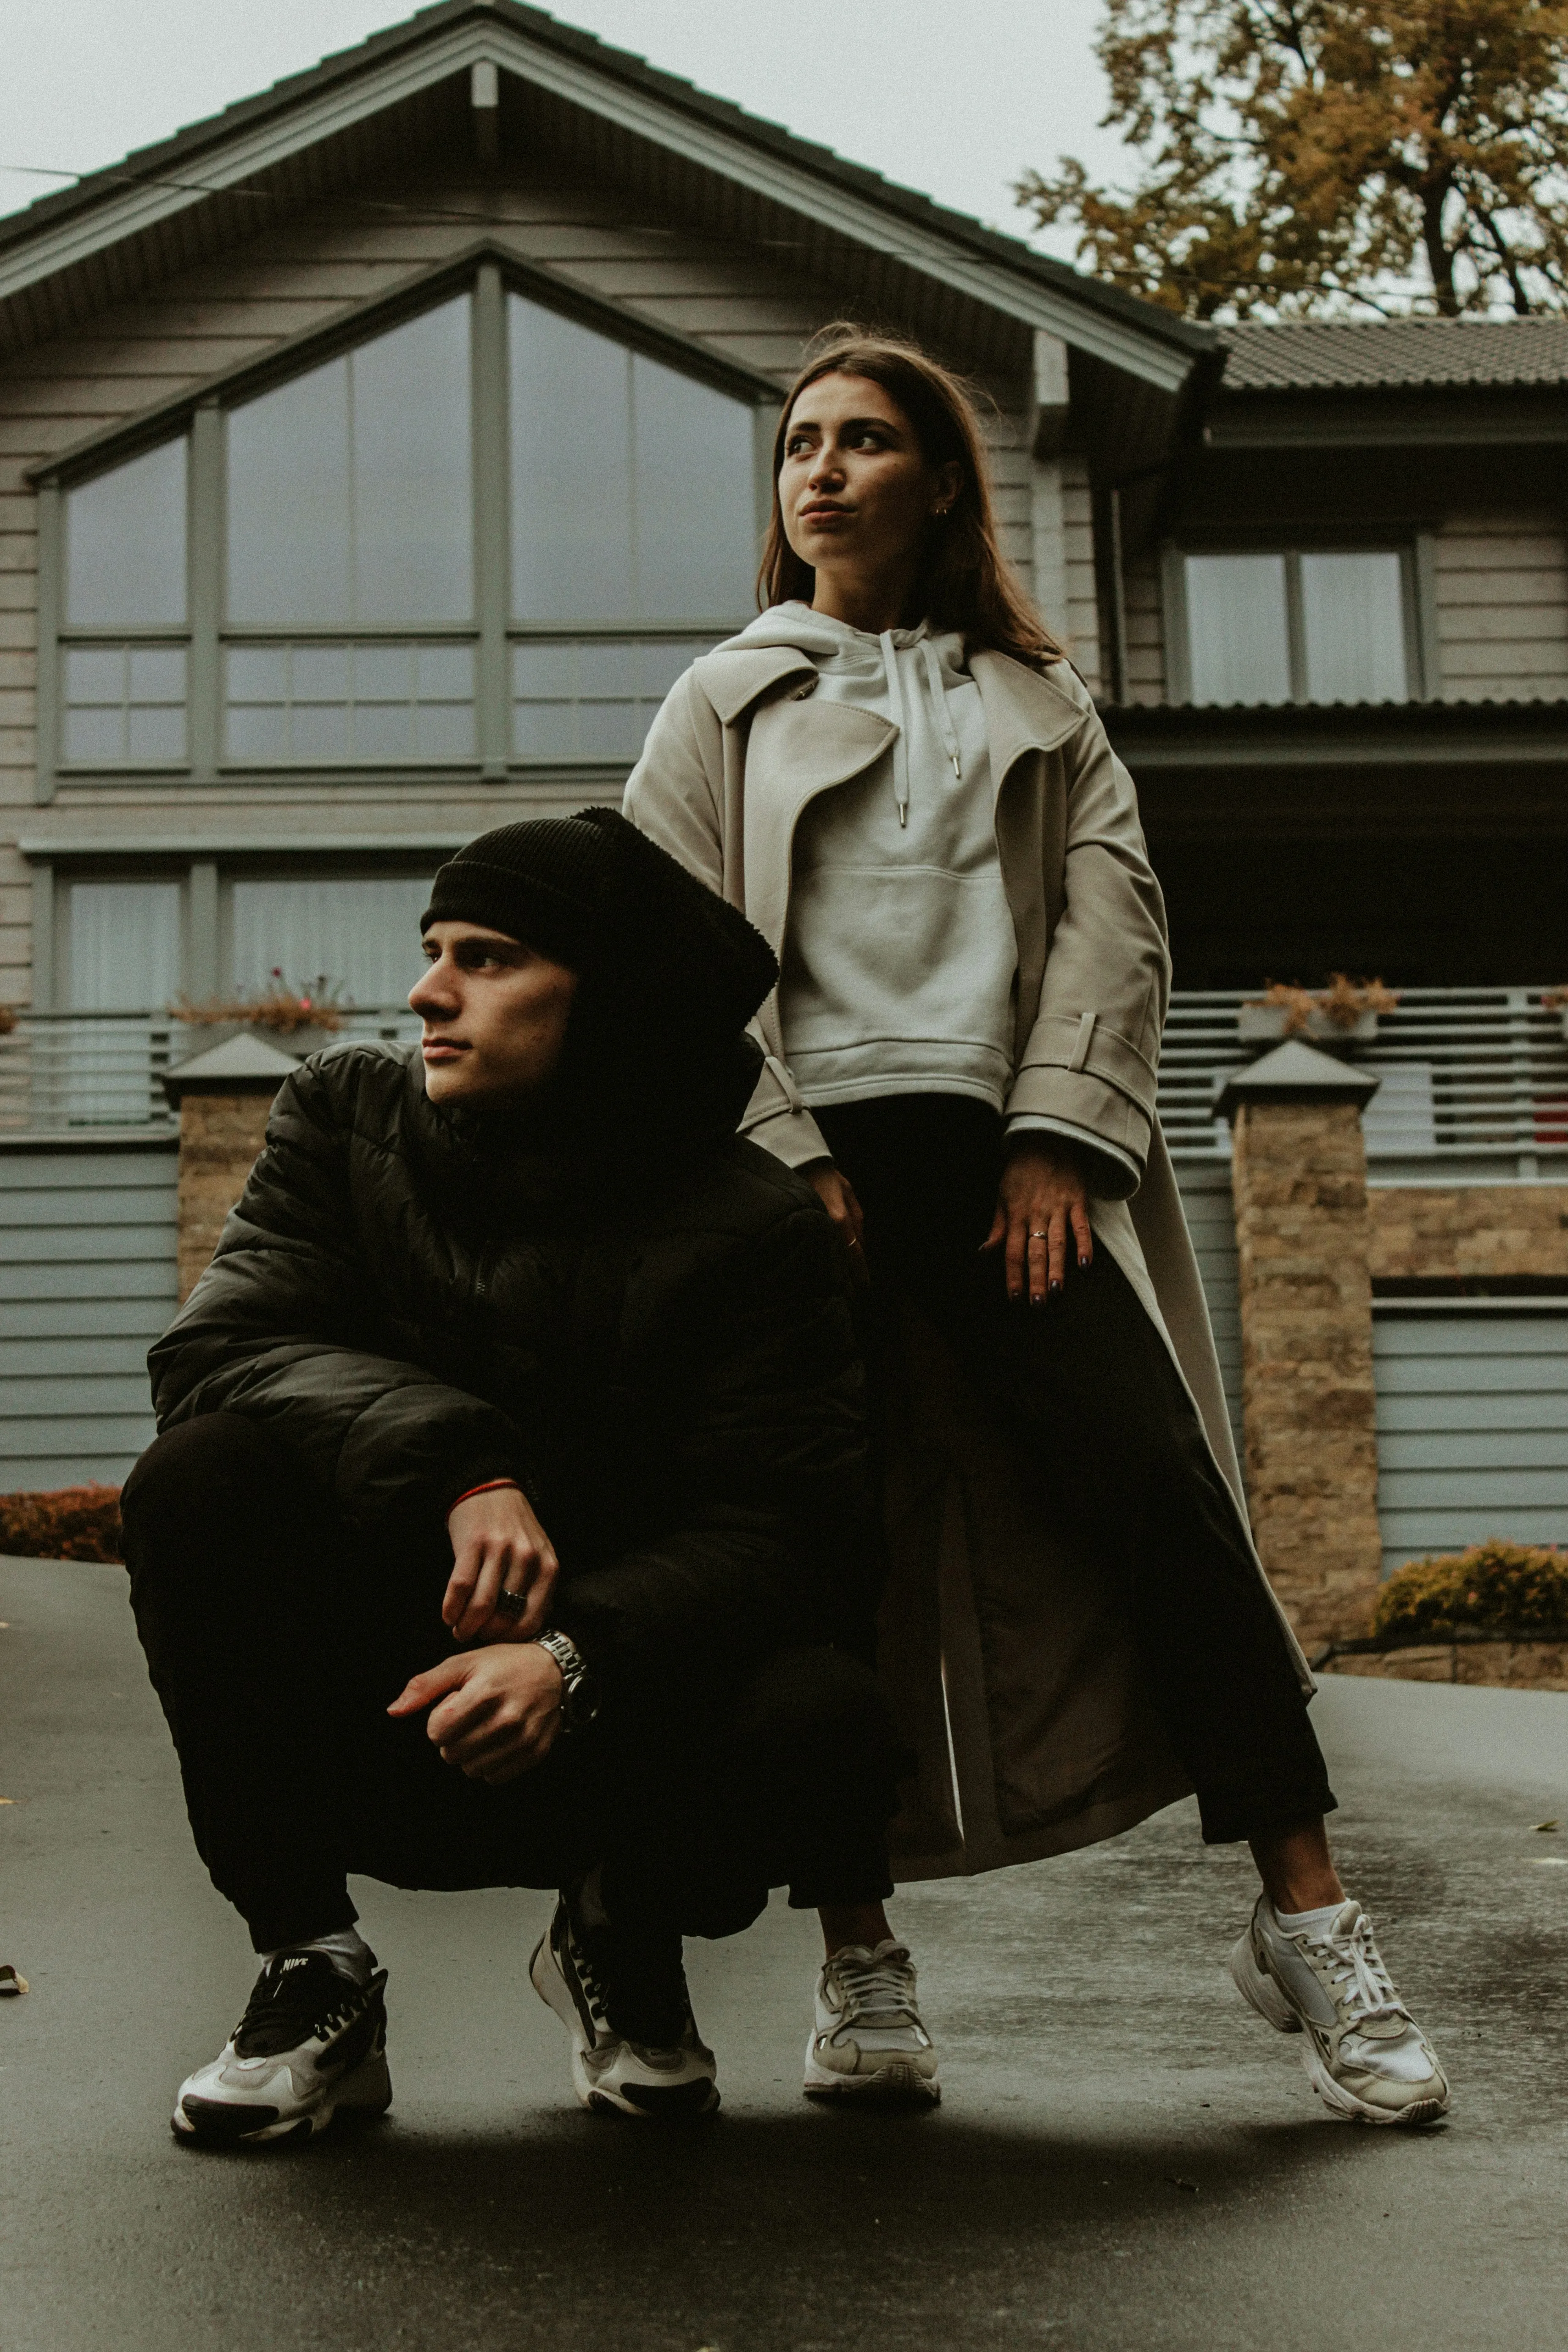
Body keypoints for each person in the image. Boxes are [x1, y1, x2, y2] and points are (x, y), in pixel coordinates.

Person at [623, 330, 1449, 2129]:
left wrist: (1056, 1147)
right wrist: (778, 1158)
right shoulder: (721, 702)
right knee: (836, 1556)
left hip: (1008, 1164)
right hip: (796, 1177)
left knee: (1162, 1502)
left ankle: (1308, 1922)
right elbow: (661, 951)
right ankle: (858, 1964)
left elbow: (1113, 935)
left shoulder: (1046, 707)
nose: (820, 471)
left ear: (937, 483)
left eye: (861, 442)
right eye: (798, 447)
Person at [120, 809, 938, 2147]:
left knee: (826, 1717)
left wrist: (575, 1653)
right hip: (390, 1691)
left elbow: (794, 1533)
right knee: (198, 1478)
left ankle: (619, 1930)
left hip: (614, 1724)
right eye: (435, 949)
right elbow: (222, 1348)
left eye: (487, 957)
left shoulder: (754, 1225)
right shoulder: (346, 1119)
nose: (427, 990)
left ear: (607, 1000)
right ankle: (312, 1963)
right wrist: (462, 1467)